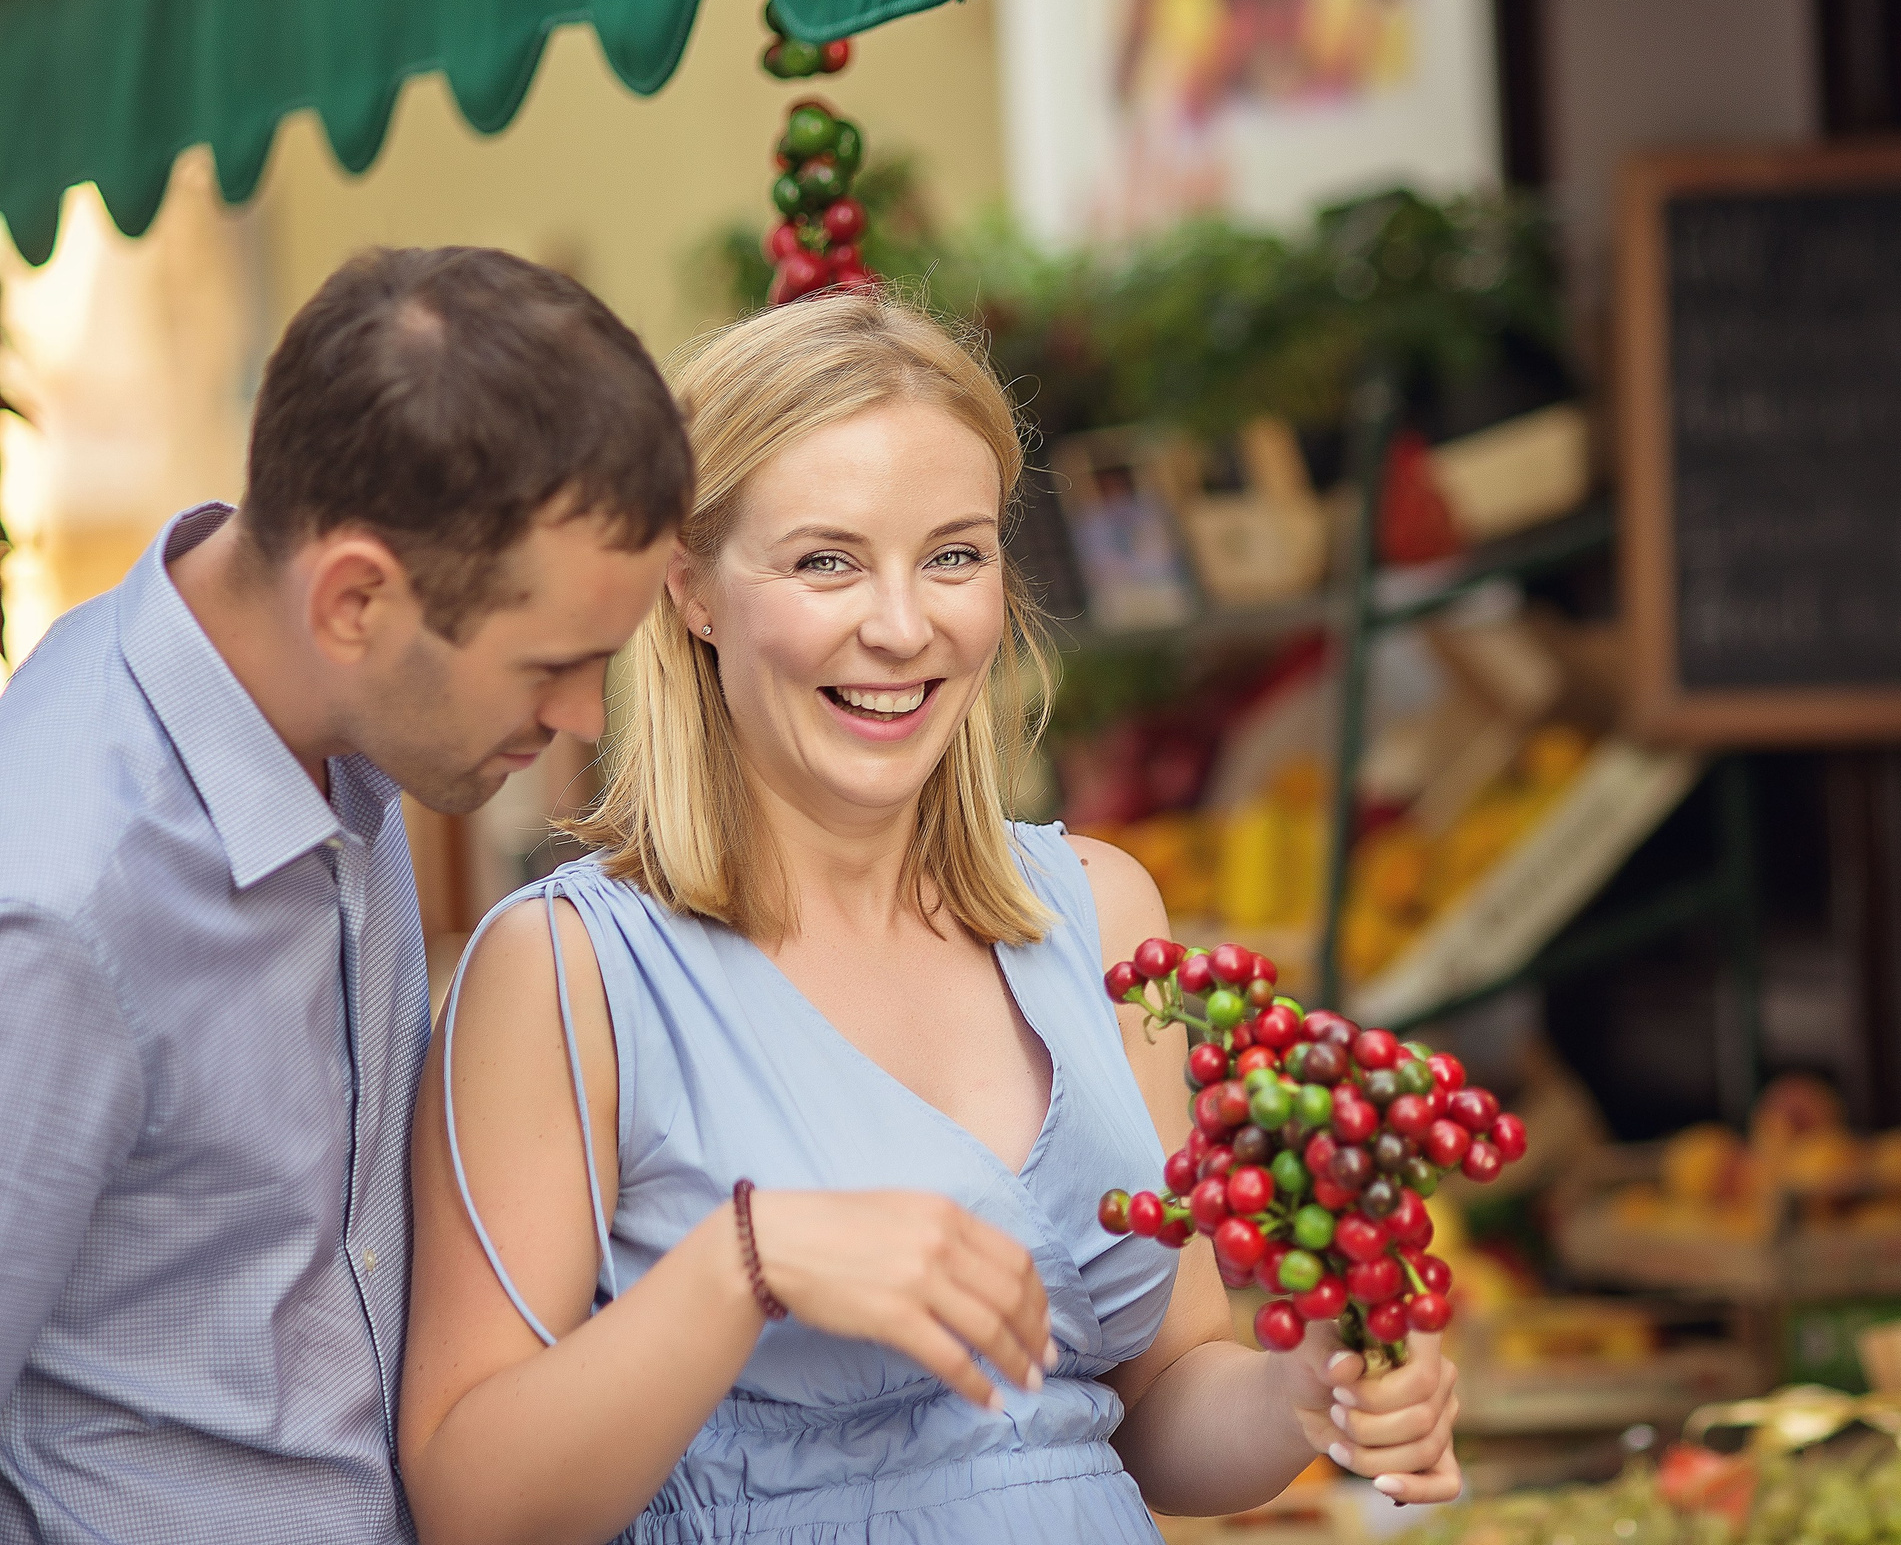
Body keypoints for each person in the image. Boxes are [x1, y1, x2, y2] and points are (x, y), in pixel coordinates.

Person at [400, 290, 1461, 1545]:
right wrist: (746, 1263)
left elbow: (1157, 1403)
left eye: (953, 554)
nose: (904, 627)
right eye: (825, 560)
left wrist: (1305, 1396)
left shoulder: (1100, 913)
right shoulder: (569, 967)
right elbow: (471, 1501)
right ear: (687, 587)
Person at [0, 247, 693, 1544]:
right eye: (553, 664)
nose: (582, 717)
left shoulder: (334, 711)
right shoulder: (52, 907)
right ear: (356, 598)